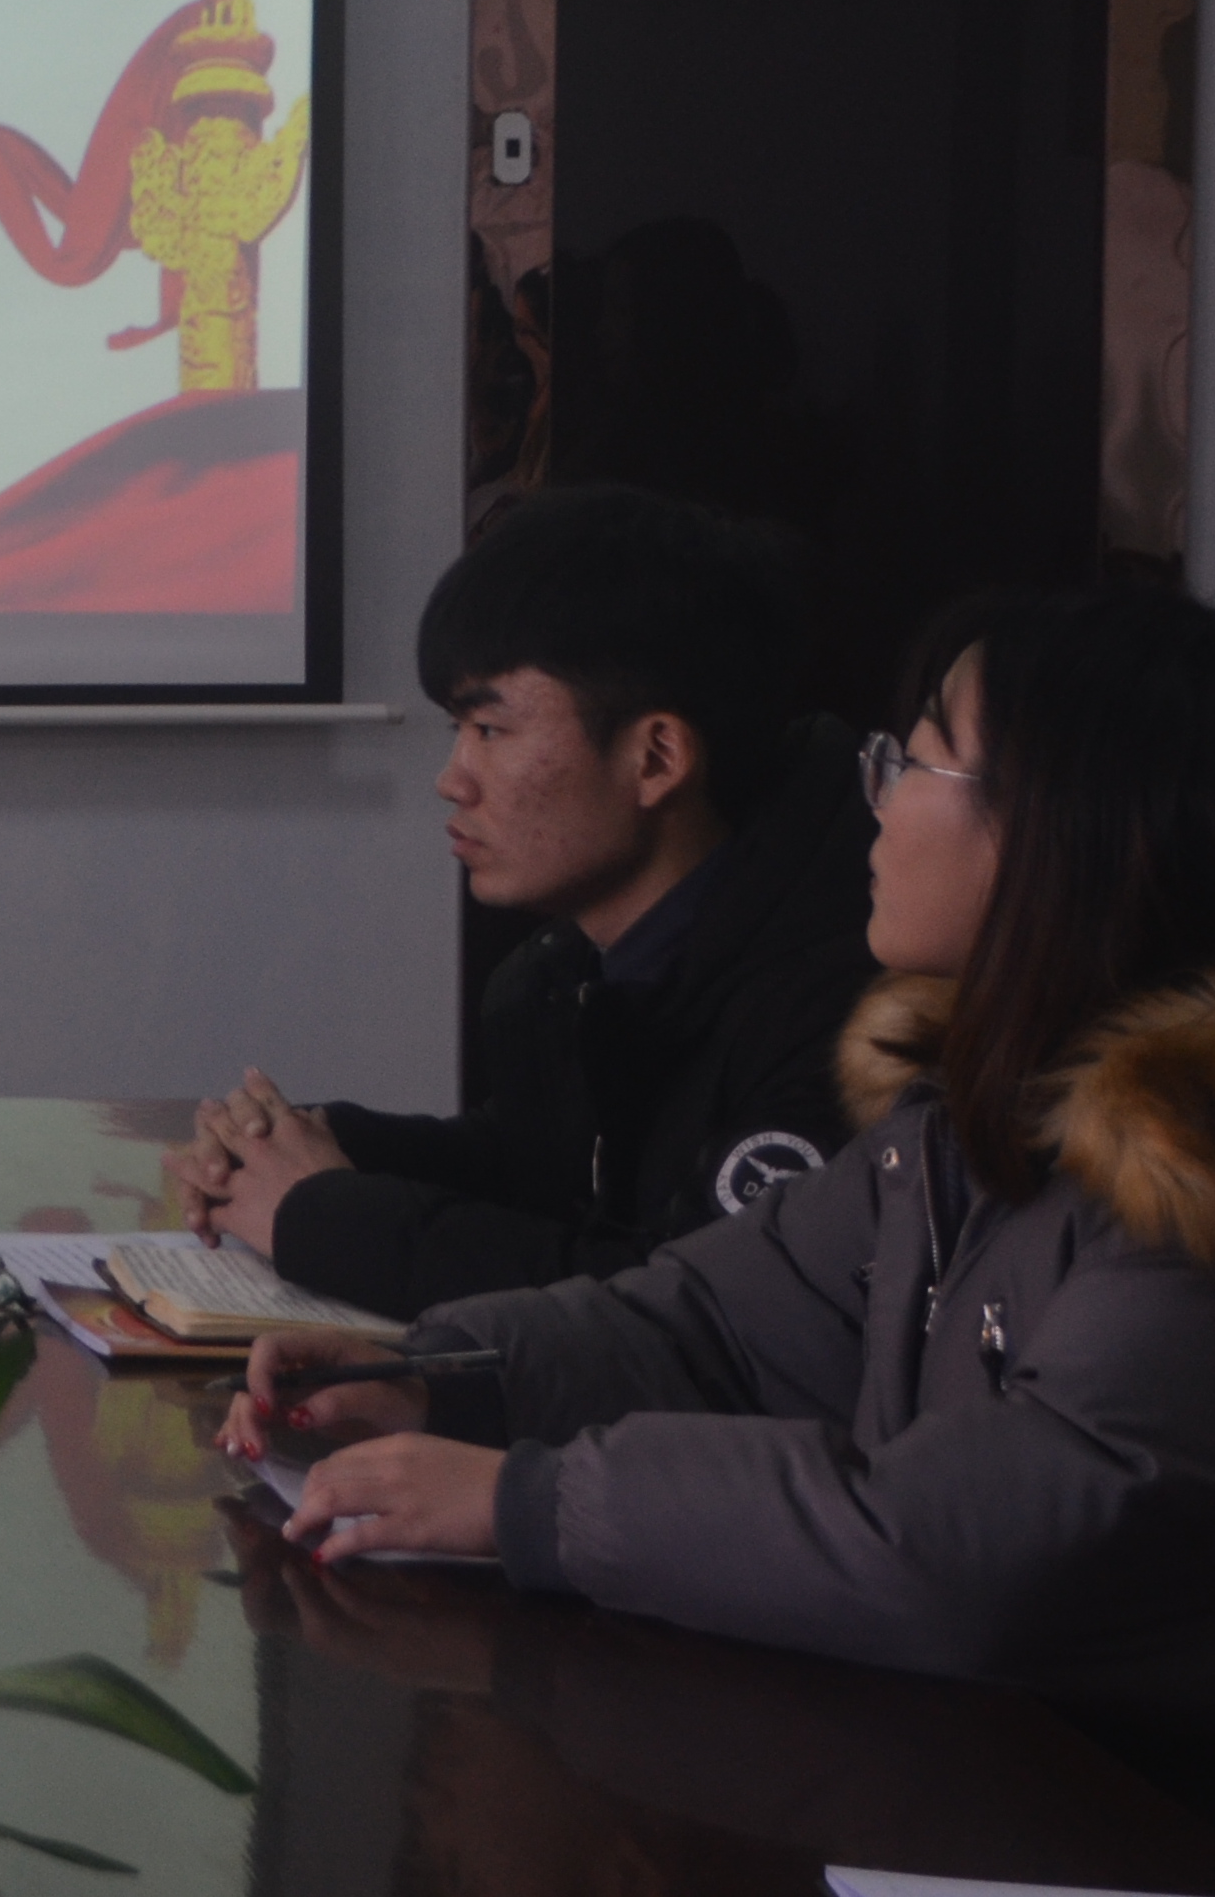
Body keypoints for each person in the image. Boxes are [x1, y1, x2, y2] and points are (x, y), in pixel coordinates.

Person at [232, 581, 1215, 1731]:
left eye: (912, 761)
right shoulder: (958, 1118)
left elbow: (966, 1558)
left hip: (1166, 1822)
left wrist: (530, 1504)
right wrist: (437, 1380)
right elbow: (708, 1328)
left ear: (1072, 831)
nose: (872, 798)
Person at [163, 485, 877, 1313]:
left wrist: (323, 1214)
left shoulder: (841, 1019)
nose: (452, 780)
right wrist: (307, 1148)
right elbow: (535, 1171)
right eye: (455, 732)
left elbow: (685, 1312)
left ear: (656, 758)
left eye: (491, 731)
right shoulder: (563, 972)